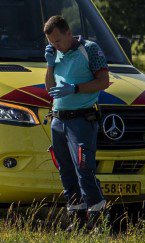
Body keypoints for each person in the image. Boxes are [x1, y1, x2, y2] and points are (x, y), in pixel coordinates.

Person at [44, 14, 111, 221]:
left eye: (57, 40)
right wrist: (50, 65)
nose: (55, 45)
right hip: (58, 120)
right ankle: (77, 216)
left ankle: (98, 215)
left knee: (84, 169)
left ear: (68, 33)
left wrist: (75, 88)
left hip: (81, 120)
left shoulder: (89, 49)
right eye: (51, 42)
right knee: (65, 170)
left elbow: (104, 81)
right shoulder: (55, 54)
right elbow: (49, 89)